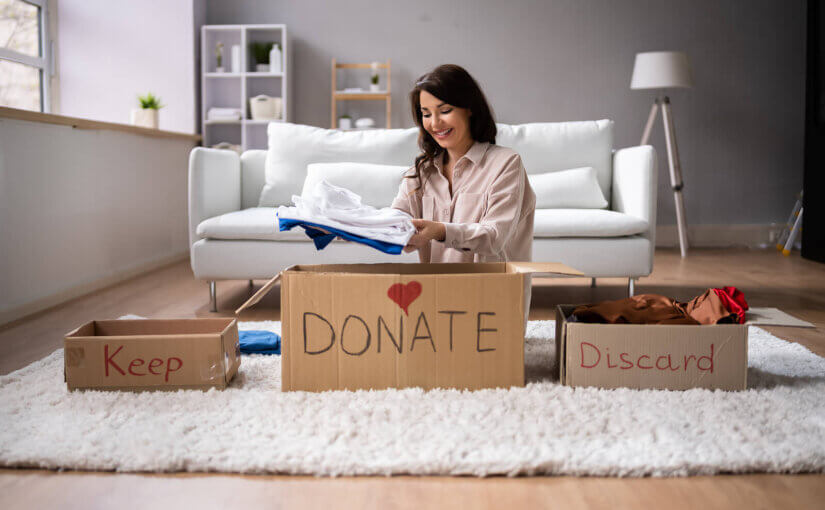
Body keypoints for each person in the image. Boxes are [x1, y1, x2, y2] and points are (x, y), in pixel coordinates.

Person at [391, 64, 536, 264]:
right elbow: (394, 218)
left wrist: (440, 231)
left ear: (469, 108)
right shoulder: (422, 172)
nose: (434, 123)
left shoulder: (506, 164)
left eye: (445, 111)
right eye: (426, 114)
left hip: (494, 292)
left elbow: (494, 237)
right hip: (436, 292)